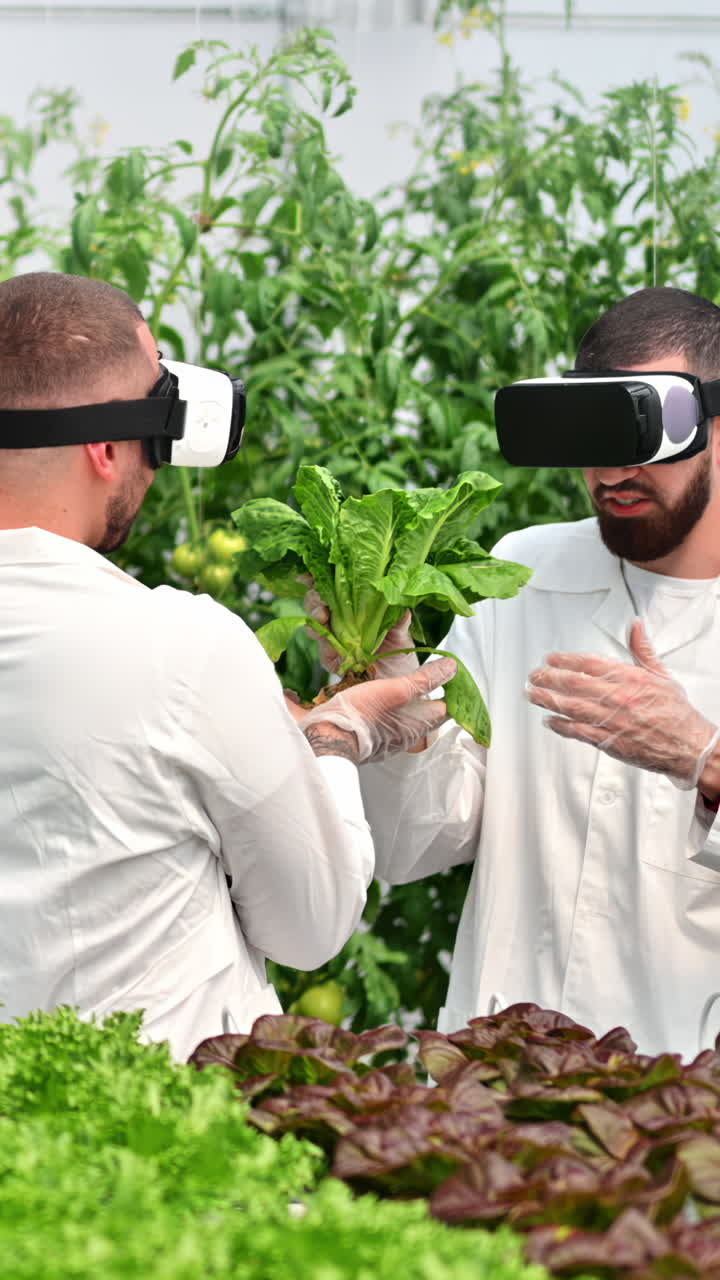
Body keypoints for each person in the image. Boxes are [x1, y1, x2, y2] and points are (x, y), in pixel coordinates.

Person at [0, 270, 453, 1061]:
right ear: (105, 449)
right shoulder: (181, 645)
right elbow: (310, 923)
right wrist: (335, 742)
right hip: (165, 1123)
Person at [352, 286, 720, 1062]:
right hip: (498, 1080)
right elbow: (417, 847)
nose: (612, 470)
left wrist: (702, 757)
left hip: (681, 1097)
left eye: (643, 434)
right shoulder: (526, 569)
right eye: (590, 431)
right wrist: (398, 716)